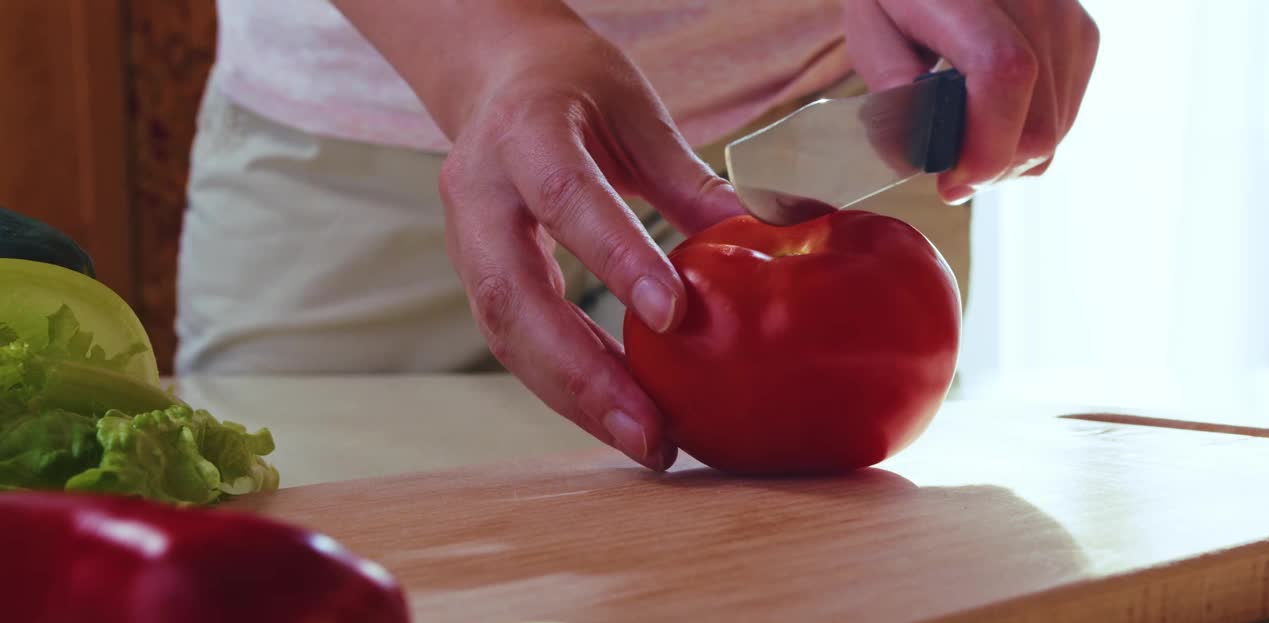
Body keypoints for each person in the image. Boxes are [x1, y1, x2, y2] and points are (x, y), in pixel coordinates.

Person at [177, 1, 1099, 471]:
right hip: (366, 118)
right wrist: (487, 46)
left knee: (837, 587)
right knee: (310, 576)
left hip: (835, 101)